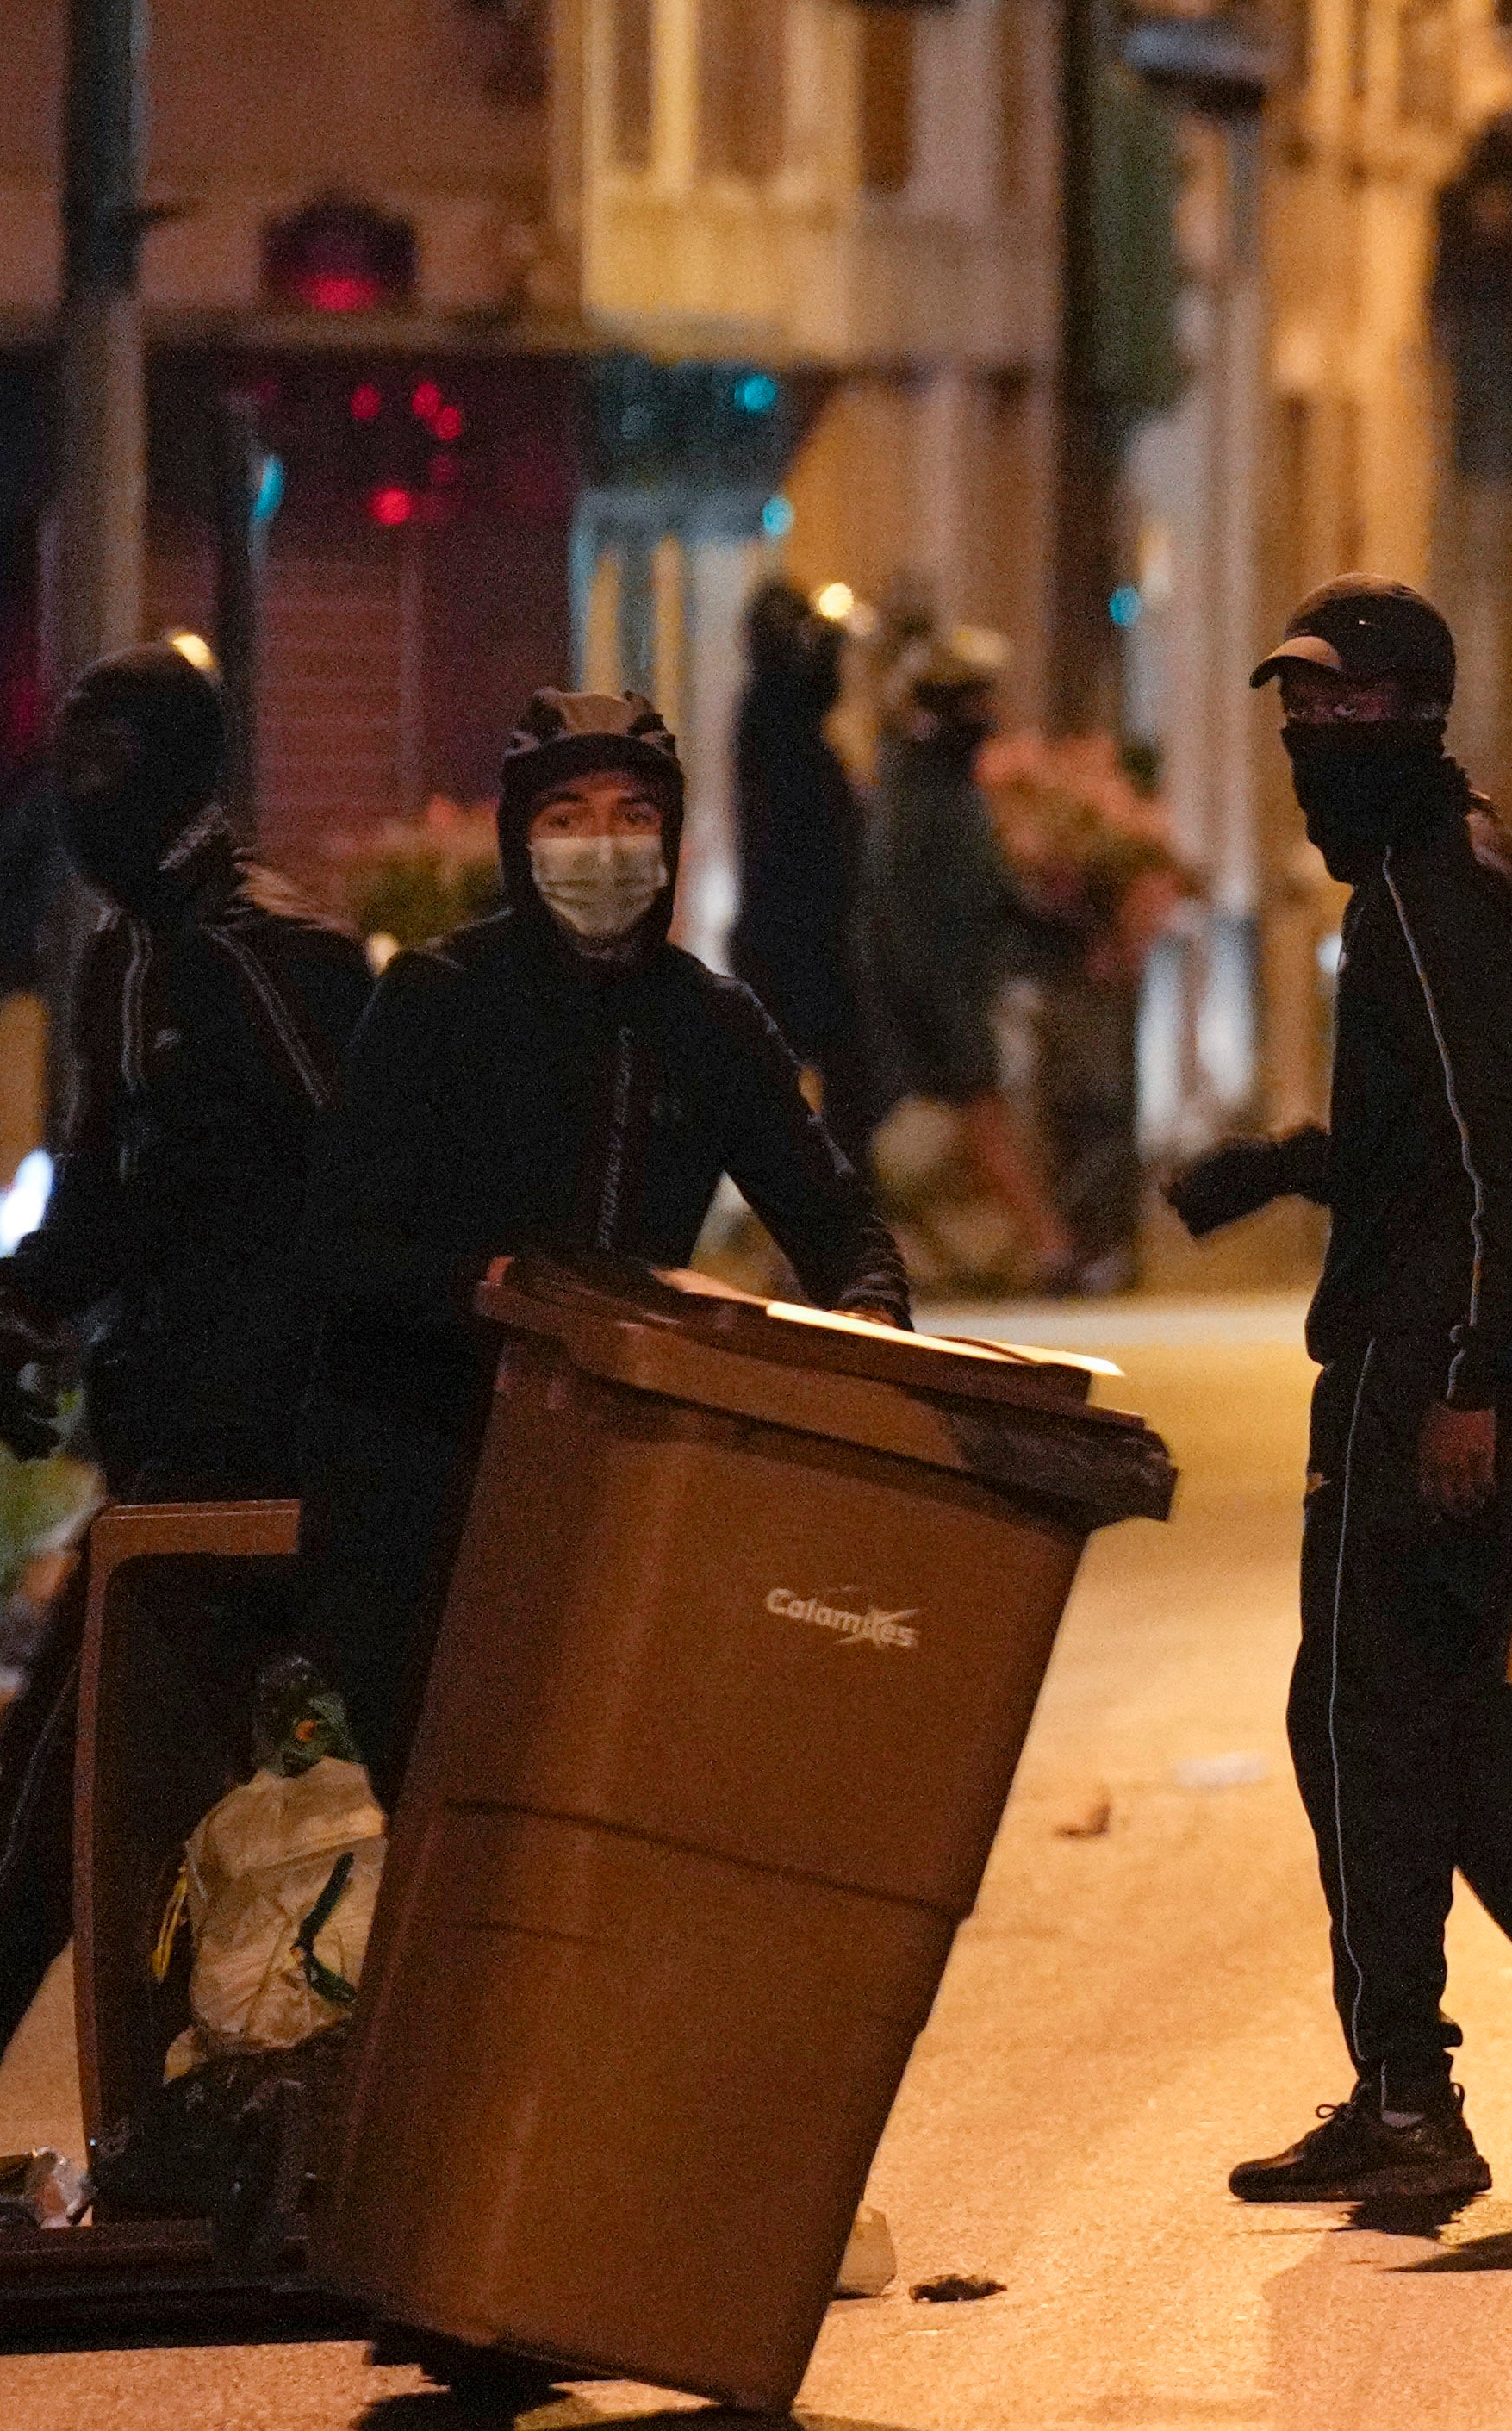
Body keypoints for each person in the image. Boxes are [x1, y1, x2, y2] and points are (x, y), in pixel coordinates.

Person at [1156, 577, 1512, 2211]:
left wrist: (1460, 1378)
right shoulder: (1441, 868)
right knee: (1429, 1726)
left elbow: (1502, 1161)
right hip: (1465, 1340)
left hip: (1439, 1365)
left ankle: (1422, 2087)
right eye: (1300, 708)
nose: (1318, 735)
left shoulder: (1426, 894)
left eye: (1350, 705)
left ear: (1420, 711)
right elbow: (1440, 1142)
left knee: (1361, 1721)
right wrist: (1286, 1166)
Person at [0, 642, 376, 2212]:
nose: (80, 796)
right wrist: (23, 1301)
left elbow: (371, 1190)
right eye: (65, 763)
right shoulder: (129, 958)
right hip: (163, 1467)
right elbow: (107, 1189)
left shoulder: (268, 956)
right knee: (50, 1798)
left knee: (77, 1816)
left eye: (110, 763)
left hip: (259, 1479)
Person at [291, 689, 912, 1781]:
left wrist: (869, 1316)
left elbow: (835, 1216)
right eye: (566, 816)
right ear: (518, 835)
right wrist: (486, 1287)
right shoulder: (434, 1002)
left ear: (671, 838)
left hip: (617, 1475)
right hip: (423, 1478)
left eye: (633, 814)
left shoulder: (707, 1022)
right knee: (435, 1790)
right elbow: (338, 1247)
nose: (602, 845)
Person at [862, 626, 1073, 1279]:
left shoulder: (950, 788)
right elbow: (906, 908)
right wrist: (927, 1000)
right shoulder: (917, 796)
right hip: (926, 995)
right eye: (973, 702)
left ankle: (1039, 1249)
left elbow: (989, 890)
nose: (988, 716)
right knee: (975, 1122)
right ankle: (1051, 1251)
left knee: (965, 1126)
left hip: (950, 989)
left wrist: (1051, 929)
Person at [731, 577, 876, 1154]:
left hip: (801, 928)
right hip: (795, 932)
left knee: (835, 1076)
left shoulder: (773, 718)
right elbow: (811, 690)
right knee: (820, 1075)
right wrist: (828, 641)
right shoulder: (770, 715)